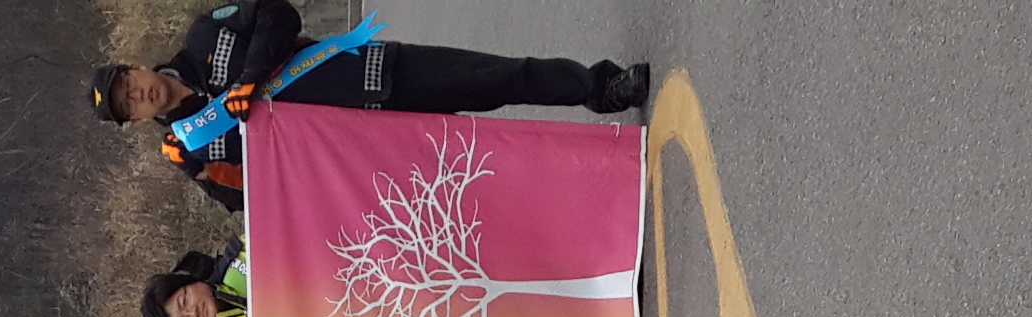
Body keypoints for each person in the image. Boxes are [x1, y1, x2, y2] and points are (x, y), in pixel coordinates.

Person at [90, 5, 655, 210]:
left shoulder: (203, 36)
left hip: (372, 74)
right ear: (133, 121)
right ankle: (604, 194)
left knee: (501, 77)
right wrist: (199, 174)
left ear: (136, 67)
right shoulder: (187, 143)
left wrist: (249, 77)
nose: (137, 95)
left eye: (128, 84)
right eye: (126, 106)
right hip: (371, 154)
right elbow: (253, 201)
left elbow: (277, 14)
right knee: (493, 172)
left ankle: (600, 87)